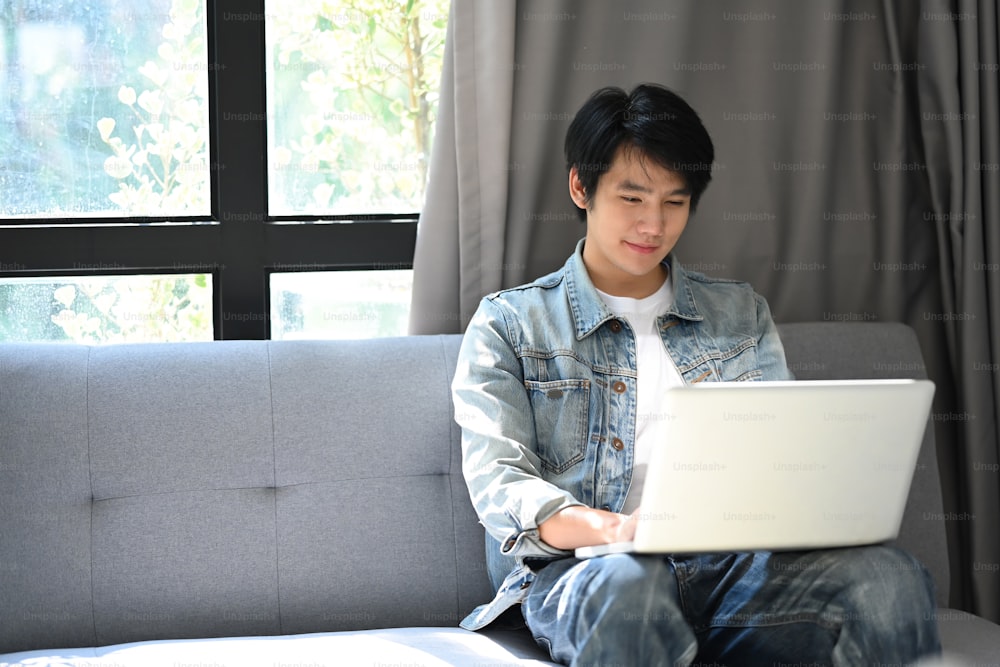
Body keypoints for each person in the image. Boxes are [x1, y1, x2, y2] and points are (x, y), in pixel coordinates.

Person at [451, 83, 941, 666]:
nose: (652, 225)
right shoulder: (509, 323)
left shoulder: (739, 314)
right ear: (581, 186)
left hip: (732, 573)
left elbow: (780, 457)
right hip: (592, 574)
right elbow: (501, 485)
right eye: (632, 199)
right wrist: (615, 531)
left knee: (886, 577)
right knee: (630, 591)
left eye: (674, 203)